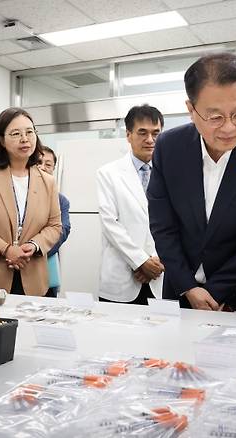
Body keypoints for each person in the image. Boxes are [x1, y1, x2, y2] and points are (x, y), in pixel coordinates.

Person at [148, 53, 236, 311]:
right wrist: (189, 288)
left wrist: (215, 292)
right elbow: (163, 226)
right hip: (182, 293)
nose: (229, 128)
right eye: (215, 117)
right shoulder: (169, 148)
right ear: (191, 110)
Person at [0, 108, 62, 296]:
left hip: (32, 279)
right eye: (16, 133)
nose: (25, 138)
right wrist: (6, 250)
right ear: (1, 140)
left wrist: (32, 246)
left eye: (30, 132)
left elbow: (55, 225)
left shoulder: (48, 181)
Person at [96, 105, 165, 305]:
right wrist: (140, 261)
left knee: (161, 335)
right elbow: (110, 224)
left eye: (156, 133)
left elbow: (177, 225)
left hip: (159, 275)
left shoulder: (173, 174)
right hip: (122, 276)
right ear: (128, 134)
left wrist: (155, 260)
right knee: (117, 335)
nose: (150, 140)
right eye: (142, 133)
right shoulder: (108, 173)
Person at [38, 145, 71, 297]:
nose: (43, 167)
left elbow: (62, 231)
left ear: (53, 169)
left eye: (48, 164)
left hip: (46, 267)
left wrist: (35, 252)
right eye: (38, 162)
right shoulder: (18, 194)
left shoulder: (61, 200)